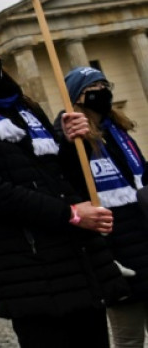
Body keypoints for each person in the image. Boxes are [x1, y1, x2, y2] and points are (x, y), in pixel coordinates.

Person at [0, 29, 128, 347]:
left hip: (76, 262)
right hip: (30, 270)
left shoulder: (26, 108)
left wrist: (68, 144)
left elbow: (59, 179)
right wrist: (69, 214)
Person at [56, 66, 148, 347]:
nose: (102, 93)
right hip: (112, 245)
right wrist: (67, 139)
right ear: (77, 99)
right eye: (92, 89)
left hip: (142, 234)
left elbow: (140, 173)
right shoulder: (70, 139)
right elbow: (67, 178)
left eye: (104, 85)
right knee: (128, 335)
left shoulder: (117, 130)